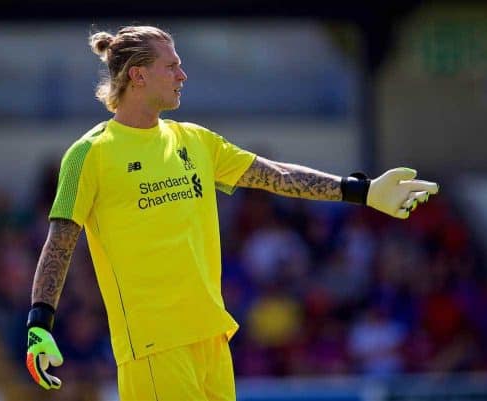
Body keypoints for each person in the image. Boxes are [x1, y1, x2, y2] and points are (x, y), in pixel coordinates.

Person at [25, 25, 439, 400]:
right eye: (171, 67)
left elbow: (274, 175)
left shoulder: (196, 141)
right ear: (138, 75)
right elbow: (60, 242)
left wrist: (361, 191)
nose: (182, 76)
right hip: (154, 346)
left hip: (212, 337)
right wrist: (39, 324)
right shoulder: (90, 154)